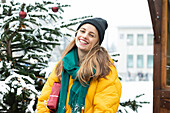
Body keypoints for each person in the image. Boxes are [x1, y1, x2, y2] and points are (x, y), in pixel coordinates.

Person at [37, 17, 122, 113]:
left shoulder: (104, 69)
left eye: (91, 35)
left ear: (97, 42)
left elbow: (105, 108)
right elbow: (44, 101)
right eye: (82, 31)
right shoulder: (63, 65)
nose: (85, 36)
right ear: (77, 33)